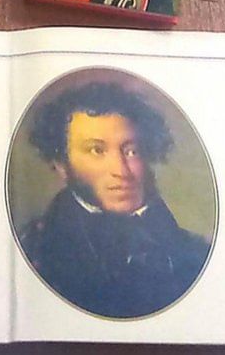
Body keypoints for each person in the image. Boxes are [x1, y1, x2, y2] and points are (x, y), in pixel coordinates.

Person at [17, 78, 211, 318]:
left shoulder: (194, 252)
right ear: (61, 164)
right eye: (96, 150)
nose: (121, 170)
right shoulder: (34, 250)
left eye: (131, 151)